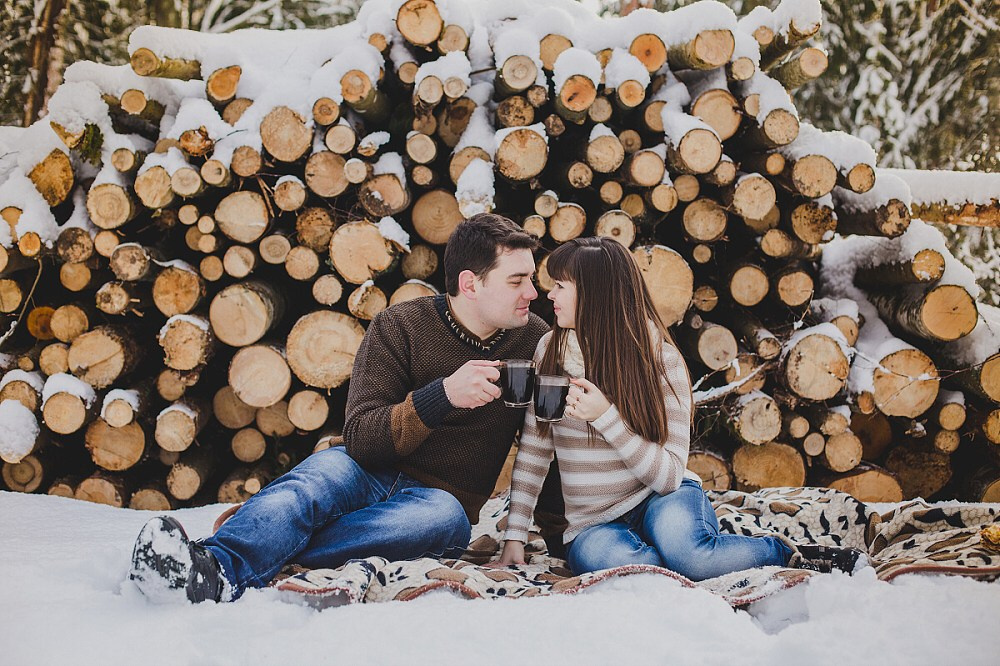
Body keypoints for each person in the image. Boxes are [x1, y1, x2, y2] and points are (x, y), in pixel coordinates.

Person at [129, 213, 565, 603]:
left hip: (441, 499)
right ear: (471, 283)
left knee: (442, 521)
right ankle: (212, 569)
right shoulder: (401, 325)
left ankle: (263, 542)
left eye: (531, 278)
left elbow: (546, 437)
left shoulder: (535, 340)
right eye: (517, 280)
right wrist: (442, 396)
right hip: (364, 468)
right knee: (316, 480)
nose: (533, 291)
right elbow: (362, 438)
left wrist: (563, 538)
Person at [495, 237, 867, 579]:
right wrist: (514, 535)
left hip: (660, 497)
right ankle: (683, 552)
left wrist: (606, 418)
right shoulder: (550, 350)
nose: (549, 293)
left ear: (595, 293)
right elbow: (536, 447)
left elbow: (670, 476)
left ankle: (786, 554)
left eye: (560, 285)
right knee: (637, 570)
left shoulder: (660, 362)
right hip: (592, 524)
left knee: (691, 557)